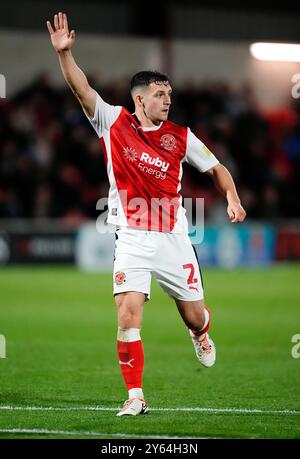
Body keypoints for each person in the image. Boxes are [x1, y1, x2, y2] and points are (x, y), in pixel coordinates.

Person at [47, 12, 246, 417]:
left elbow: (217, 169)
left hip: (173, 237)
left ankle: (201, 332)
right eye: (159, 93)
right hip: (132, 237)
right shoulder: (112, 122)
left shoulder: (181, 137)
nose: (167, 99)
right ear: (140, 99)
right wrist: (66, 56)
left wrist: (232, 197)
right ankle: (135, 395)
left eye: (169, 93)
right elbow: (80, 87)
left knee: (193, 315)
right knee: (127, 313)